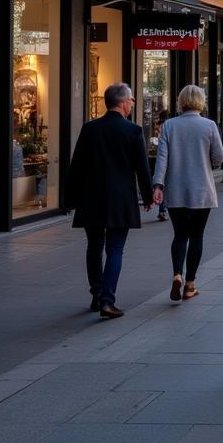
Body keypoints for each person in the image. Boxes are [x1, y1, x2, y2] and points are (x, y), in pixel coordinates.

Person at [66, 83, 153, 318]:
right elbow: (141, 169)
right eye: (132, 100)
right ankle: (107, 299)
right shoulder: (133, 131)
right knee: (115, 248)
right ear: (123, 102)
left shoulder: (90, 129)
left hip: (90, 199)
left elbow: (76, 166)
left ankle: (96, 294)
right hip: (120, 200)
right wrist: (148, 196)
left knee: (94, 246)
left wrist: (70, 198)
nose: (133, 103)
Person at [152, 85, 223, 302]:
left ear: (180, 101)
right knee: (197, 236)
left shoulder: (169, 126)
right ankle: (190, 284)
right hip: (202, 190)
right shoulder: (209, 125)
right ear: (201, 101)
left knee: (180, 235)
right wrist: (210, 163)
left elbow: (162, 158)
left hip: (176, 190)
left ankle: (177, 274)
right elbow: (219, 156)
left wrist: (158, 185)